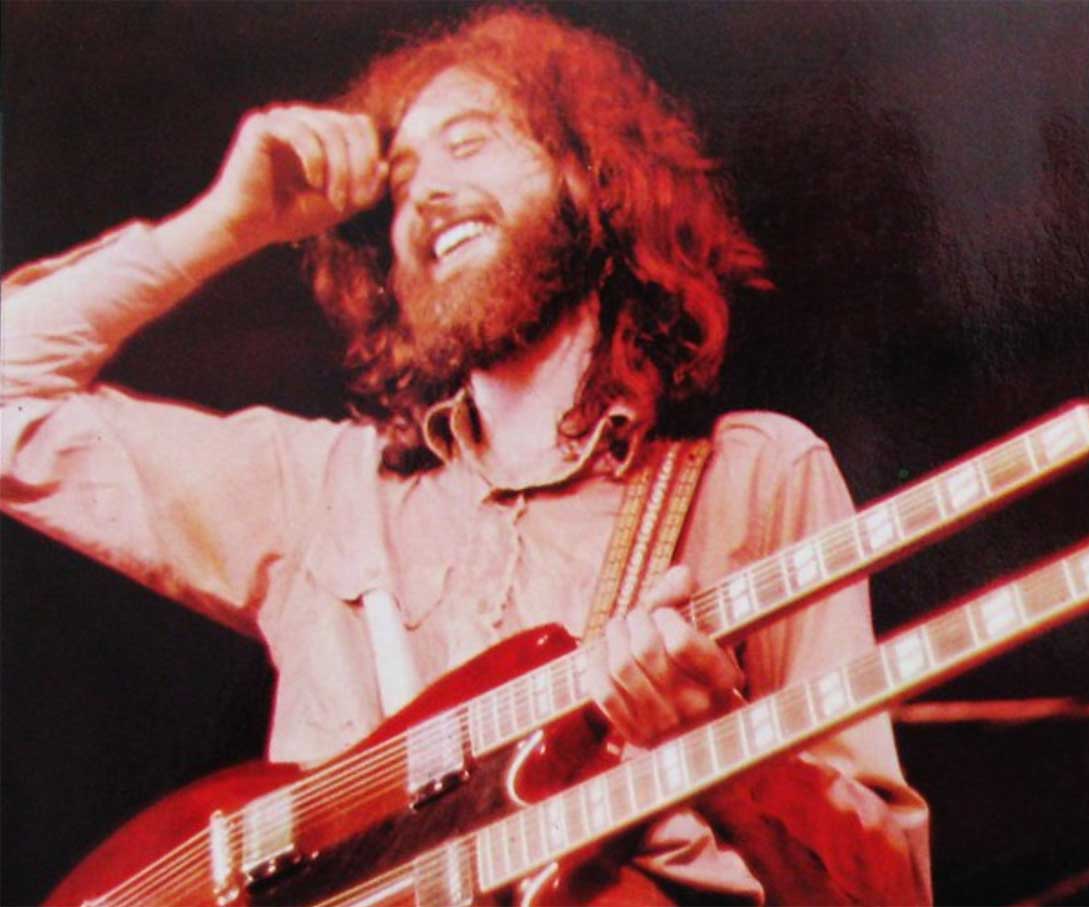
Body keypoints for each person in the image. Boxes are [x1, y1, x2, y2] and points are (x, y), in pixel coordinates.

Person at [2, 8, 930, 904]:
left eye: (471, 142)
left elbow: (893, 894)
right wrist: (224, 224)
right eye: (400, 183)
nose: (426, 195)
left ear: (590, 177)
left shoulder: (753, 476)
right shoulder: (322, 493)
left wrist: (725, 749)